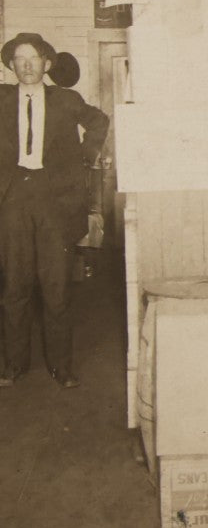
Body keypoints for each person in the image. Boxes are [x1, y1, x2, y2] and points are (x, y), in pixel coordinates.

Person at [0, 33, 110, 389]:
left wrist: (83, 157)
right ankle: (13, 365)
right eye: (20, 59)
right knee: (14, 285)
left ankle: (61, 367)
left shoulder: (66, 99)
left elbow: (99, 121)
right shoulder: (1, 99)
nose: (27, 65)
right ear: (11, 65)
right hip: (12, 198)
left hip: (55, 200)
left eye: (34, 58)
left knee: (56, 286)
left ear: (47, 63)